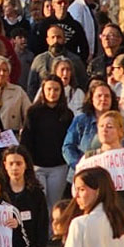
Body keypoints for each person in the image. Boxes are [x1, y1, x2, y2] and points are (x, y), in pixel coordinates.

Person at [22, 75, 74, 209]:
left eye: (56, 89)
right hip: (37, 166)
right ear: (43, 90)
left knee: (54, 205)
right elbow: (26, 139)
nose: (52, 93)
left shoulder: (67, 114)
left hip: (59, 167)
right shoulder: (33, 112)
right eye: (49, 89)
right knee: (40, 204)